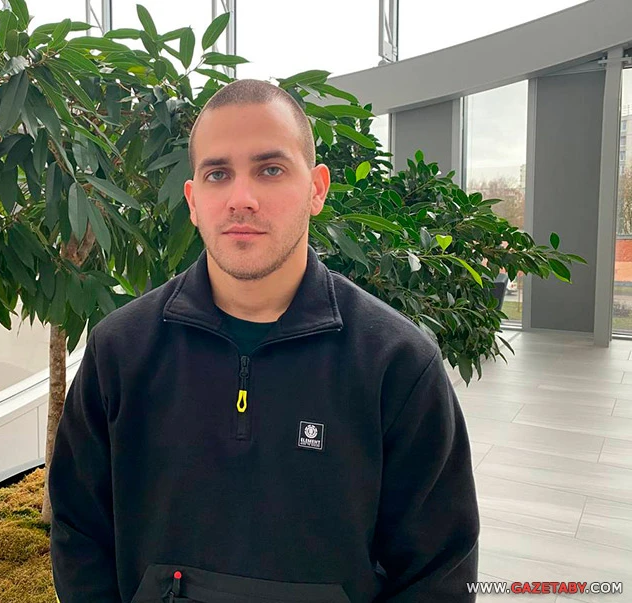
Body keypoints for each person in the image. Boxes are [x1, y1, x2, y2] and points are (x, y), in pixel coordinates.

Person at [48, 78, 480, 603]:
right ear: (193, 200)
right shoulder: (120, 351)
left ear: (316, 189)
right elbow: (79, 534)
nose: (242, 199)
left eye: (270, 169)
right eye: (218, 174)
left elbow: (439, 571)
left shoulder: (397, 364)